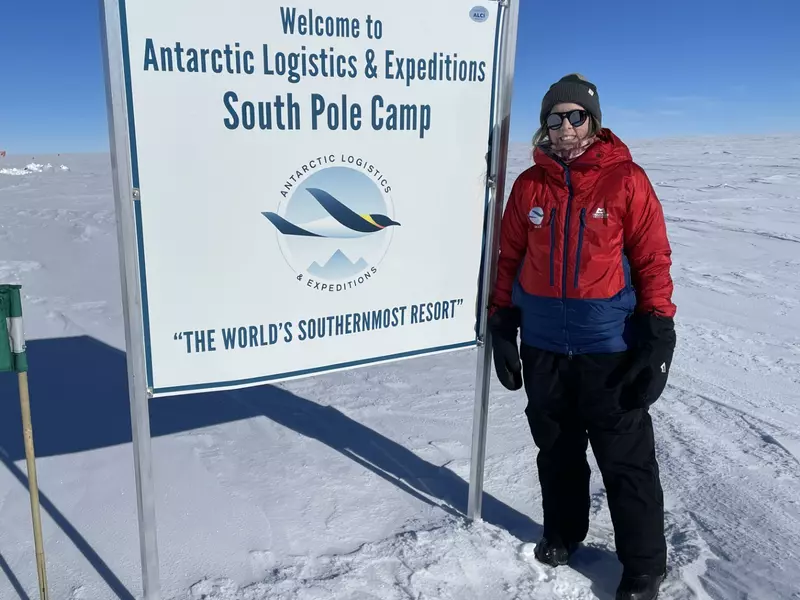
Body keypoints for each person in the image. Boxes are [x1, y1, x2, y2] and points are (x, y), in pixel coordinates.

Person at [487, 73, 677, 600]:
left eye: (576, 116)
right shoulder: (529, 185)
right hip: (545, 345)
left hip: (608, 348)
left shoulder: (626, 180)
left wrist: (658, 331)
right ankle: (563, 533)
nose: (566, 126)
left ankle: (643, 565)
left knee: (626, 460)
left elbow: (651, 257)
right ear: (544, 125)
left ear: (592, 121)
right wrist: (502, 319)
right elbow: (509, 257)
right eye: (555, 117)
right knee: (557, 450)